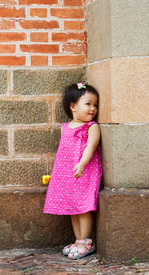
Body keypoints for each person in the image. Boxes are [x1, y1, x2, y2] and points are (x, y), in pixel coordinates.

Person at [43, 82, 102, 260]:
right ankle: (78, 240)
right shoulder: (66, 127)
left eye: (95, 105)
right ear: (73, 106)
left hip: (85, 171)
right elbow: (63, 152)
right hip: (68, 174)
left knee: (83, 207)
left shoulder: (92, 127)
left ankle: (86, 241)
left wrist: (82, 163)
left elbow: (90, 147)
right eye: (88, 104)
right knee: (72, 208)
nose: (92, 108)